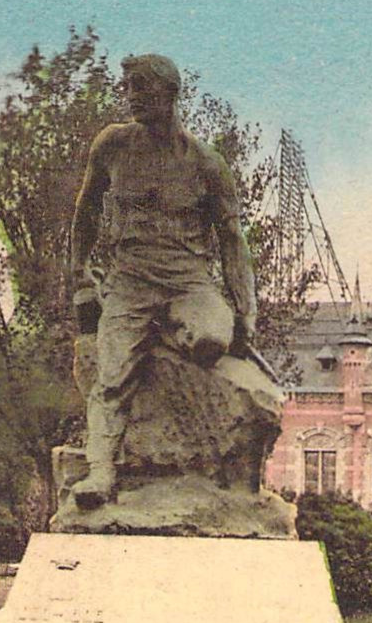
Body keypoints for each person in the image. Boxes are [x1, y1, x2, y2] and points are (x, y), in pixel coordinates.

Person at [68, 54, 257, 507]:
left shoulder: (207, 164)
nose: (132, 98)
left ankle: (173, 330)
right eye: (128, 88)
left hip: (189, 280)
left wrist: (245, 311)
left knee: (212, 338)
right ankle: (101, 472)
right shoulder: (112, 145)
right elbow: (86, 210)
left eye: (142, 89)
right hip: (130, 280)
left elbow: (233, 241)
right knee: (111, 375)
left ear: (170, 95)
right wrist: (78, 273)